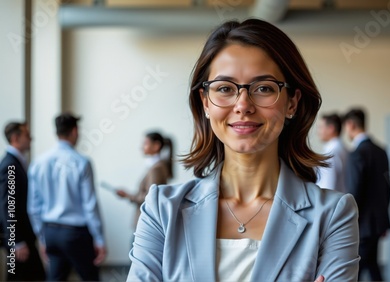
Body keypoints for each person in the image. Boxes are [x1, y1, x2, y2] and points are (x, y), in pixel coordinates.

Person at [127, 19, 359, 282]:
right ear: (205, 103)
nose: (243, 105)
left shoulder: (333, 214)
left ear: (292, 102)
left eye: (263, 88)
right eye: (225, 88)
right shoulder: (161, 209)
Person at [27, 113, 106, 281]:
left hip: (51, 231)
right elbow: (90, 205)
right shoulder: (81, 162)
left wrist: (42, 237)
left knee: (55, 278)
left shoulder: (38, 162)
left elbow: (33, 207)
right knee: (90, 278)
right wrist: (99, 238)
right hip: (76, 234)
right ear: (75, 131)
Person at [343, 108, 390, 281]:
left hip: (362, 223)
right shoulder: (381, 150)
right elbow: (388, 188)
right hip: (377, 222)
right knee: (372, 264)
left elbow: (354, 192)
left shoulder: (357, 154)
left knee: (354, 271)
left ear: (351, 125)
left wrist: (349, 220)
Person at [0, 122, 45, 281]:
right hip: (18, 240)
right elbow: (8, 206)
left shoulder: (16, 163)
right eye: (27, 135)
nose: (31, 138)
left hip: (21, 238)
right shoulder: (10, 165)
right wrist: (16, 242)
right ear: (15, 138)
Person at [115, 132, 174, 227]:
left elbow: (150, 198)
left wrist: (127, 195)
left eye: (145, 143)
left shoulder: (156, 169)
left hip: (146, 224)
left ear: (156, 146)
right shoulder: (156, 166)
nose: (142, 147)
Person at [315, 112, 348, 192]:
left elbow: (328, 187)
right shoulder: (343, 148)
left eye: (321, 127)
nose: (318, 132)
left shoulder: (331, 153)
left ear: (331, 128)